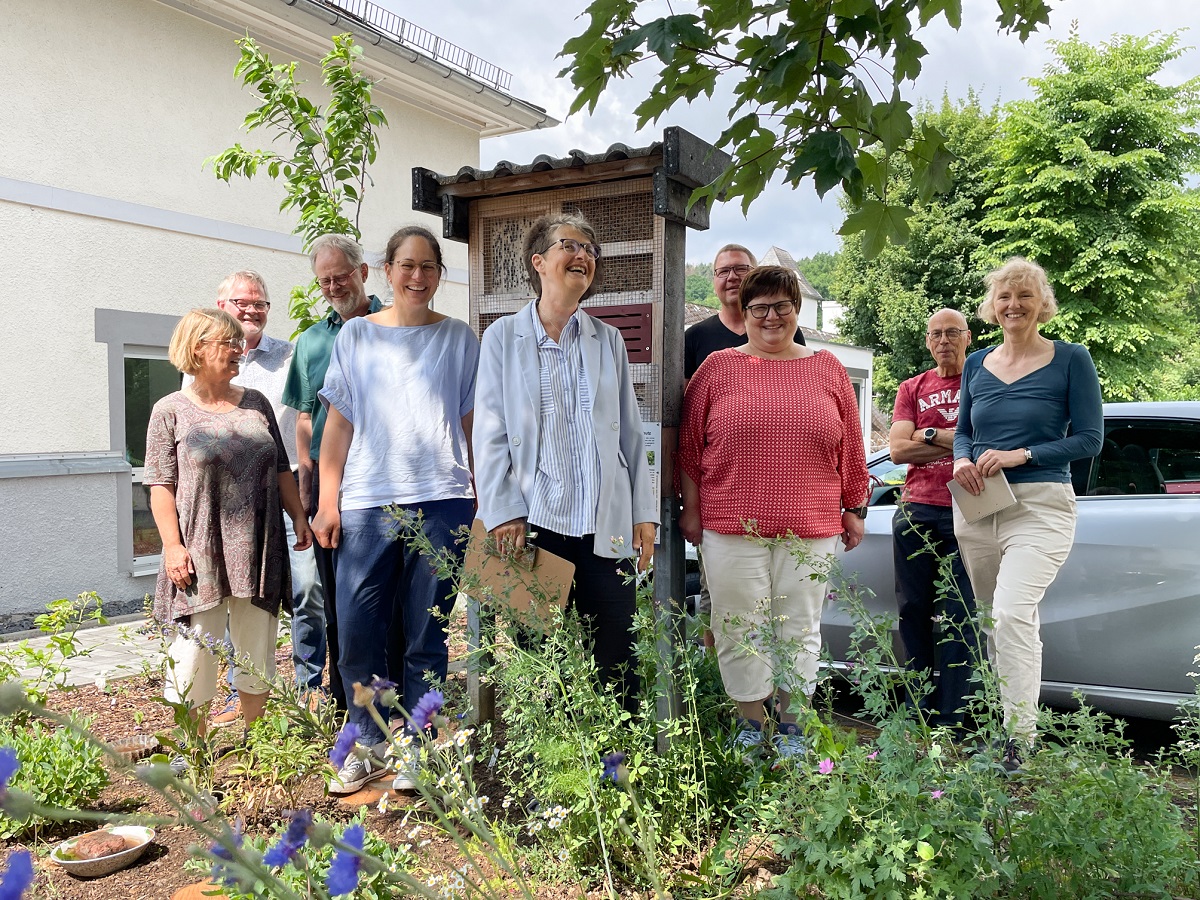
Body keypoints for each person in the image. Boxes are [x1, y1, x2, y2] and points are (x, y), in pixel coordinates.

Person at [678, 265, 869, 761]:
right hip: (729, 525)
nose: (770, 317)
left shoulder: (827, 368)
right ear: (743, 313)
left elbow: (850, 446)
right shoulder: (717, 368)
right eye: (758, 307)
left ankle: (791, 724)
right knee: (739, 624)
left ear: (796, 310)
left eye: (781, 306)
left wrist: (855, 506)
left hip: (812, 526)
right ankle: (751, 724)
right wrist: (691, 510)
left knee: (799, 625)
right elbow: (690, 447)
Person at [313, 225, 479, 795]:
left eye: (427, 266)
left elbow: (471, 424)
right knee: (359, 629)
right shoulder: (356, 336)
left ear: (440, 274)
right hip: (365, 502)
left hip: (443, 500)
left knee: (425, 633)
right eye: (406, 265)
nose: (416, 276)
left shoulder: (459, 338)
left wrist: (484, 499)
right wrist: (326, 503)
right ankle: (367, 739)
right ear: (386, 270)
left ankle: (418, 743)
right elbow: (339, 422)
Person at [474, 212, 658, 714]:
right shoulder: (501, 338)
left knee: (618, 659)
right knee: (543, 664)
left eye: (590, 250)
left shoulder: (608, 339)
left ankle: (617, 774)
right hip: (537, 527)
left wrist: (644, 513)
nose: (583, 256)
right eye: (570, 246)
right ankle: (555, 779)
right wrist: (503, 510)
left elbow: (630, 433)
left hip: (606, 527)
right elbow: (489, 435)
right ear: (539, 261)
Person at [952, 257, 1102, 772]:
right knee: (1000, 621)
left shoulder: (1071, 359)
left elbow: (1090, 439)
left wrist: (1025, 455)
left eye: (1025, 296)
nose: (1013, 305)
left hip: (1040, 504)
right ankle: (1006, 728)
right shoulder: (976, 364)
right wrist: (962, 457)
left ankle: (1020, 742)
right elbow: (966, 431)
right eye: (1004, 297)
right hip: (978, 504)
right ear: (992, 307)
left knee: (1013, 613)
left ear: (1043, 305)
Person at [145, 308, 312, 738]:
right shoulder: (170, 411)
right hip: (199, 551)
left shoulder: (256, 403)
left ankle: (257, 749)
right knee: (193, 658)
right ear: (198, 348)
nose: (239, 350)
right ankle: (194, 756)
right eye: (229, 343)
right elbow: (160, 484)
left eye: (239, 342)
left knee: (257, 654)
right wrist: (171, 546)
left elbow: (279, 467)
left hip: (258, 546)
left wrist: (298, 517)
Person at [191, 272, 325, 730]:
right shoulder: (199, 365)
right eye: (241, 302)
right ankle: (240, 690)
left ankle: (309, 689)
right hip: (229, 512)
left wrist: (303, 502)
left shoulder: (291, 357)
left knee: (308, 593)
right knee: (234, 603)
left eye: (260, 304)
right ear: (220, 303)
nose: (251, 311)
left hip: (286, 500)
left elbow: (308, 418)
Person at [282, 235, 384, 712]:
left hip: (386, 481)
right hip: (331, 488)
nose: (333, 286)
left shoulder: (396, 323)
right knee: (338, 603)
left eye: (341, 275)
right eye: (324, 279)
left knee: (388, 601)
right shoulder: (311, 341)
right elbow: (305, 417)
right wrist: (309, 488)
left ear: (363, 272)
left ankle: (394, 704)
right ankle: (348, 704)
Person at [683, 246, 806, 642]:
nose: (731, 277)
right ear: (714, 281)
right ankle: (721, 687)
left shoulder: (790, 335)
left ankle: (767, 694)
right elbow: (690, 426)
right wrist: (693, 505)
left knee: (786, 618)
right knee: (720, 605)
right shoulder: (698, 338)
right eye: (723, 271)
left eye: (740, 270)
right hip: (726, 505)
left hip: (791, 507)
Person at [889, 308, 979, 734]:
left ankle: (955, 714)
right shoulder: (912, 387)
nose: (943, 340)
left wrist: (925, 434)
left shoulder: (984, 378)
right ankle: (917, 708)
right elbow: (898, 452)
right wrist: (954, 441)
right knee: (913, 610)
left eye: (952, 333)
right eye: (936, 334)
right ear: (927, 341)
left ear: (968, 336)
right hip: (917, 507)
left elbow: (987, 443)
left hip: (971, 506)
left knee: (963, 612)